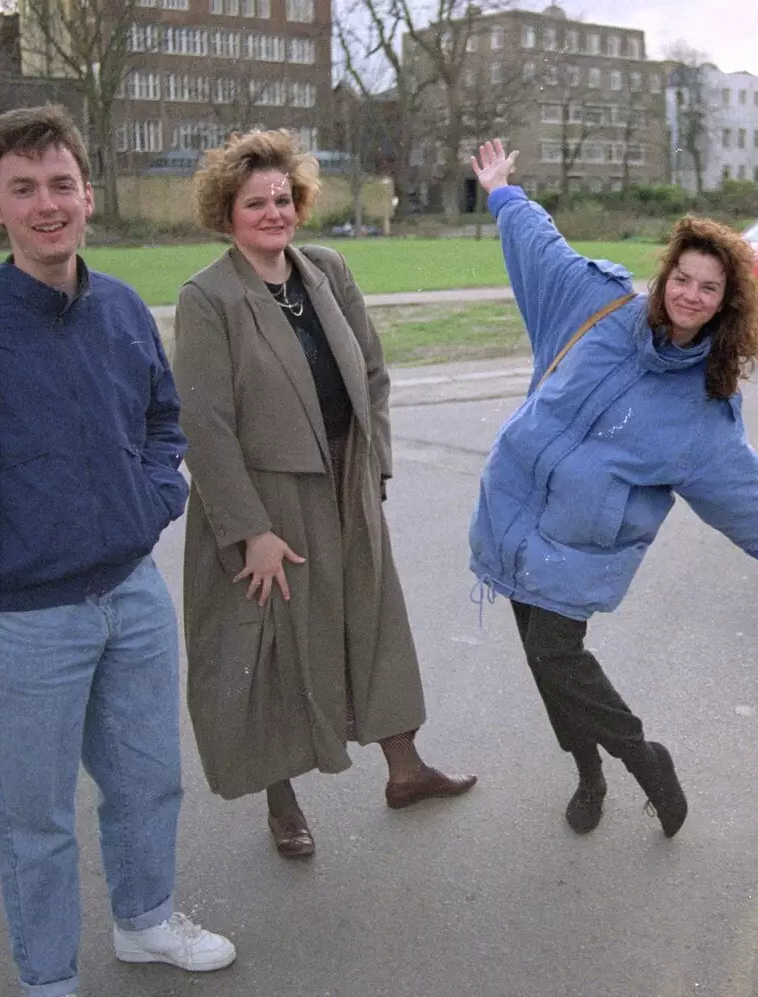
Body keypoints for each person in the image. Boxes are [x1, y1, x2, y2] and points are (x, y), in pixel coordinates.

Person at [0, 105, 234, 997]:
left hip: (134, 599)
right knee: (34, 822)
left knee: (149, 783)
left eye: (61, 185)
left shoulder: (119, 309)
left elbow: (162, 418)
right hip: (32, 621)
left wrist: (153, 497)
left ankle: (146, 921)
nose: (47, 205)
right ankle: (47, 978)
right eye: (23, 189)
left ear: (89, 196)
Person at [468, 139, 758, 838]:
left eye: (709, 287)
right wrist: (503, 193)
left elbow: (733, 476)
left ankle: (644, 759)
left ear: (726, 303)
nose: (690, 295)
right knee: (544, 663)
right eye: (684, 277)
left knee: (556, 653)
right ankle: (587, 770)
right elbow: (540, 249)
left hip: (581, 542)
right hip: (519, 507)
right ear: (666, 273)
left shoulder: (705, 398)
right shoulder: (599, 305)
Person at [173, 129, 476, 860]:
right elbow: (205, 428)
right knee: (278, 648)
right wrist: (250, 530)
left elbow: (372, 373)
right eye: (256, 202)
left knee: (373, 620)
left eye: (283, 198)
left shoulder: (327, 270)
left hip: (347, 481)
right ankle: (282, 803)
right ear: (228, 210)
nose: (273, 212)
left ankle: (404, 768)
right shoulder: (208, 298)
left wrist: (375, 468)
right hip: (268, 500)